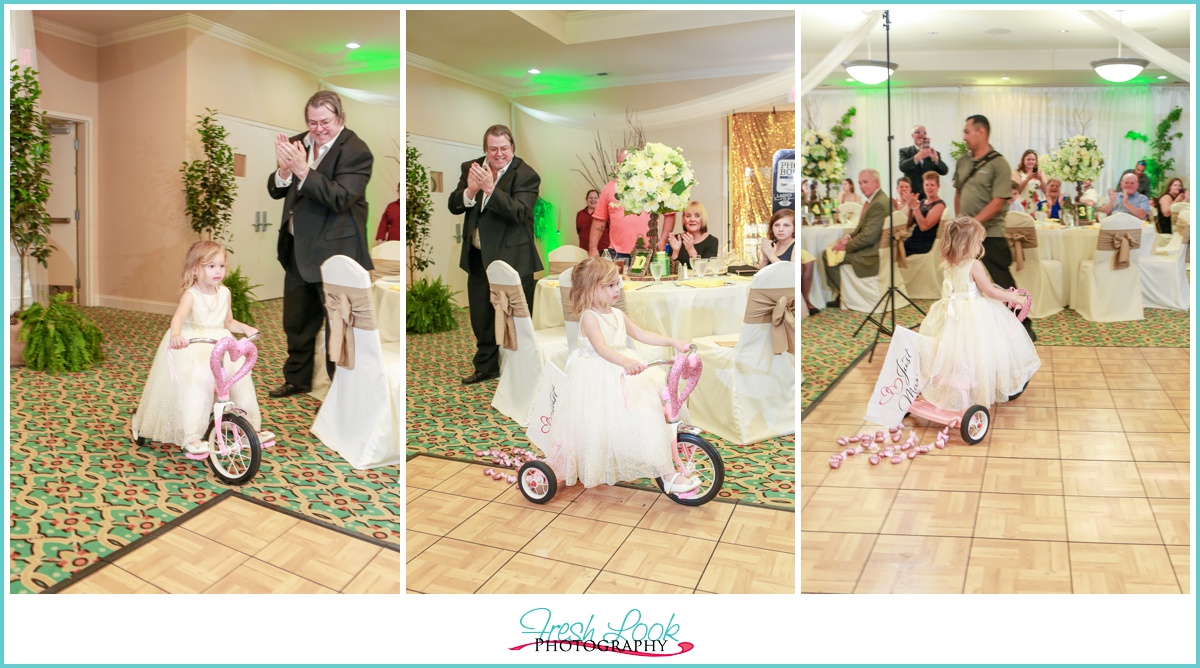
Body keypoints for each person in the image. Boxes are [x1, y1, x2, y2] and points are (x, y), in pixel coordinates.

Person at [546, 257, 698, 493]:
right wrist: (626, 361)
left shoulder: (617, 314)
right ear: (591, 288)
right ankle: (665, 472)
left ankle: (668, 464)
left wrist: (673, 341)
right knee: (603, 422)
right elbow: (601, 348)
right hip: (599, 373)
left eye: (617, 284)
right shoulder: (589, 317)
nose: (617, 290)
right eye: (610, 285)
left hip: (623, 369)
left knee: (650, 411)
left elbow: (641, 333)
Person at [267, 90, 374, 398]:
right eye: (312, 122)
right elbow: (276, 189)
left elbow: (341, 197)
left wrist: (303, 170)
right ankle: (297, 379)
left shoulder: (356, 150)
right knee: (296, 321)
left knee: (338, 328)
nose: (317, 129)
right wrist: (284, 172)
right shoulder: (299, 142)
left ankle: (340, 392)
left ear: (339, 117)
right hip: (297, 249)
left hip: (335, 255)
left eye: (324, 121)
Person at [131, 241, 270, 457]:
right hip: (194, 343)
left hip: (220, 342)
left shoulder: (224, 293)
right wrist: (176, 335)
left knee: (239, 377)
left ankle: (249, 427)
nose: (218, 271)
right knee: (198, 381)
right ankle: (192, 436)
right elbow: (178, 318)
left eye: (221, 266)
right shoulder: (192, 295)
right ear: (196, 269)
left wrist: (245, 328)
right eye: (210, 266)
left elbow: (228, 322)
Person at [448, 124, 542, 385]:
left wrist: (491, 189)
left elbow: (518, 212)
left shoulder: (526, 174)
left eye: (504, 148)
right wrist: (471, 191)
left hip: (513, 259)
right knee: (481, 315)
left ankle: (522, 367)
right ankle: (487, 366)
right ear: (485, 149)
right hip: (479, 256)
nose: (499, 154)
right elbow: (454, 204)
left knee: (518, 317)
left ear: (512, 147)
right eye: (493, 149)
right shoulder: (473, 167)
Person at [918, 216, 1040, 411]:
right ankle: (979, 389)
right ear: (968, 244)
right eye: (978, 242)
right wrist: (1016, 299)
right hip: (972, 314)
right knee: (983, 351)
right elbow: (989, 291)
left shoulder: (949, 263)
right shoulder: (973, 264)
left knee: (957, 351)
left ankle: (961, 385)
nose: (980, 246)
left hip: (951, 313)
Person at [953, 114, 1034, 342]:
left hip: (991, 234)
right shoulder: (963, 161)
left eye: (967, 132)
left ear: (981, 132)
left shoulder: (999, 164)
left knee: (1001, 278)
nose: (964, 136)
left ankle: (1023, 322)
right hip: (966, 235)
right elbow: (959, 192)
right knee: (963, 279)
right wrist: (961, 222)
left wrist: (972, 226)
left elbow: (999, 200)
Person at [589, 147, 675, 260]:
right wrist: (593, 248)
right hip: (616, 253)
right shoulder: (609, 187)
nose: (622, 167)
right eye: (619, 163)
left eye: (626, 162)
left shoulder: (653, 185)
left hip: (648, 252)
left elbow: (670, 214)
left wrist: (663, 241)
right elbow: (599, 220)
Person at [819, 170, 886, 302]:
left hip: (871, 254)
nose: (862, 186)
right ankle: (845, 293)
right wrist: (848, 237)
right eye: (860, 183)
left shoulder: (878, 203)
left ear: (876, 182)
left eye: (865, 182)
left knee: (827, 255)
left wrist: (845, 247)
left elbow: (868, 237)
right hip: (873, 248)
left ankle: (846, 296)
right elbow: (862, 229)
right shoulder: (877, 200)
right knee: (831, 252)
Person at [898, 125, 948, 201]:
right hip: (911, 196)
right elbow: (903, 167)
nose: (921, 134)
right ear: (912, 135)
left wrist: (936, 159)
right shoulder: (905, 151)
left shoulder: (933, 153)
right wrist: (918, 156)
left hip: (929, 196)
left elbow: (944, 171)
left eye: (923, 132)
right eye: (918, 132)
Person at [904, 171, 945, 257]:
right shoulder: (922, 202)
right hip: (914, 240)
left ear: (938, 186)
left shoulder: (939, 205)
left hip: (924, 244)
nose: (929, 188)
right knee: (894, 245)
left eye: (932, 185)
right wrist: (910, 209)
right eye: (926, 185)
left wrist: (915, 207)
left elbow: (924, 227)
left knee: (896, 249)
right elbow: (908, 224)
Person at [669, 201, 719, 269]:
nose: (692, 219)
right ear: (683, 219)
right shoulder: (676, 239)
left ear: (702, 218)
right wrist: (675, 252)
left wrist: (691, 250)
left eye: (697, 216)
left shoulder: (712, 241)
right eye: (688, 216)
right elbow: (671, 270)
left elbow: (707, 270)